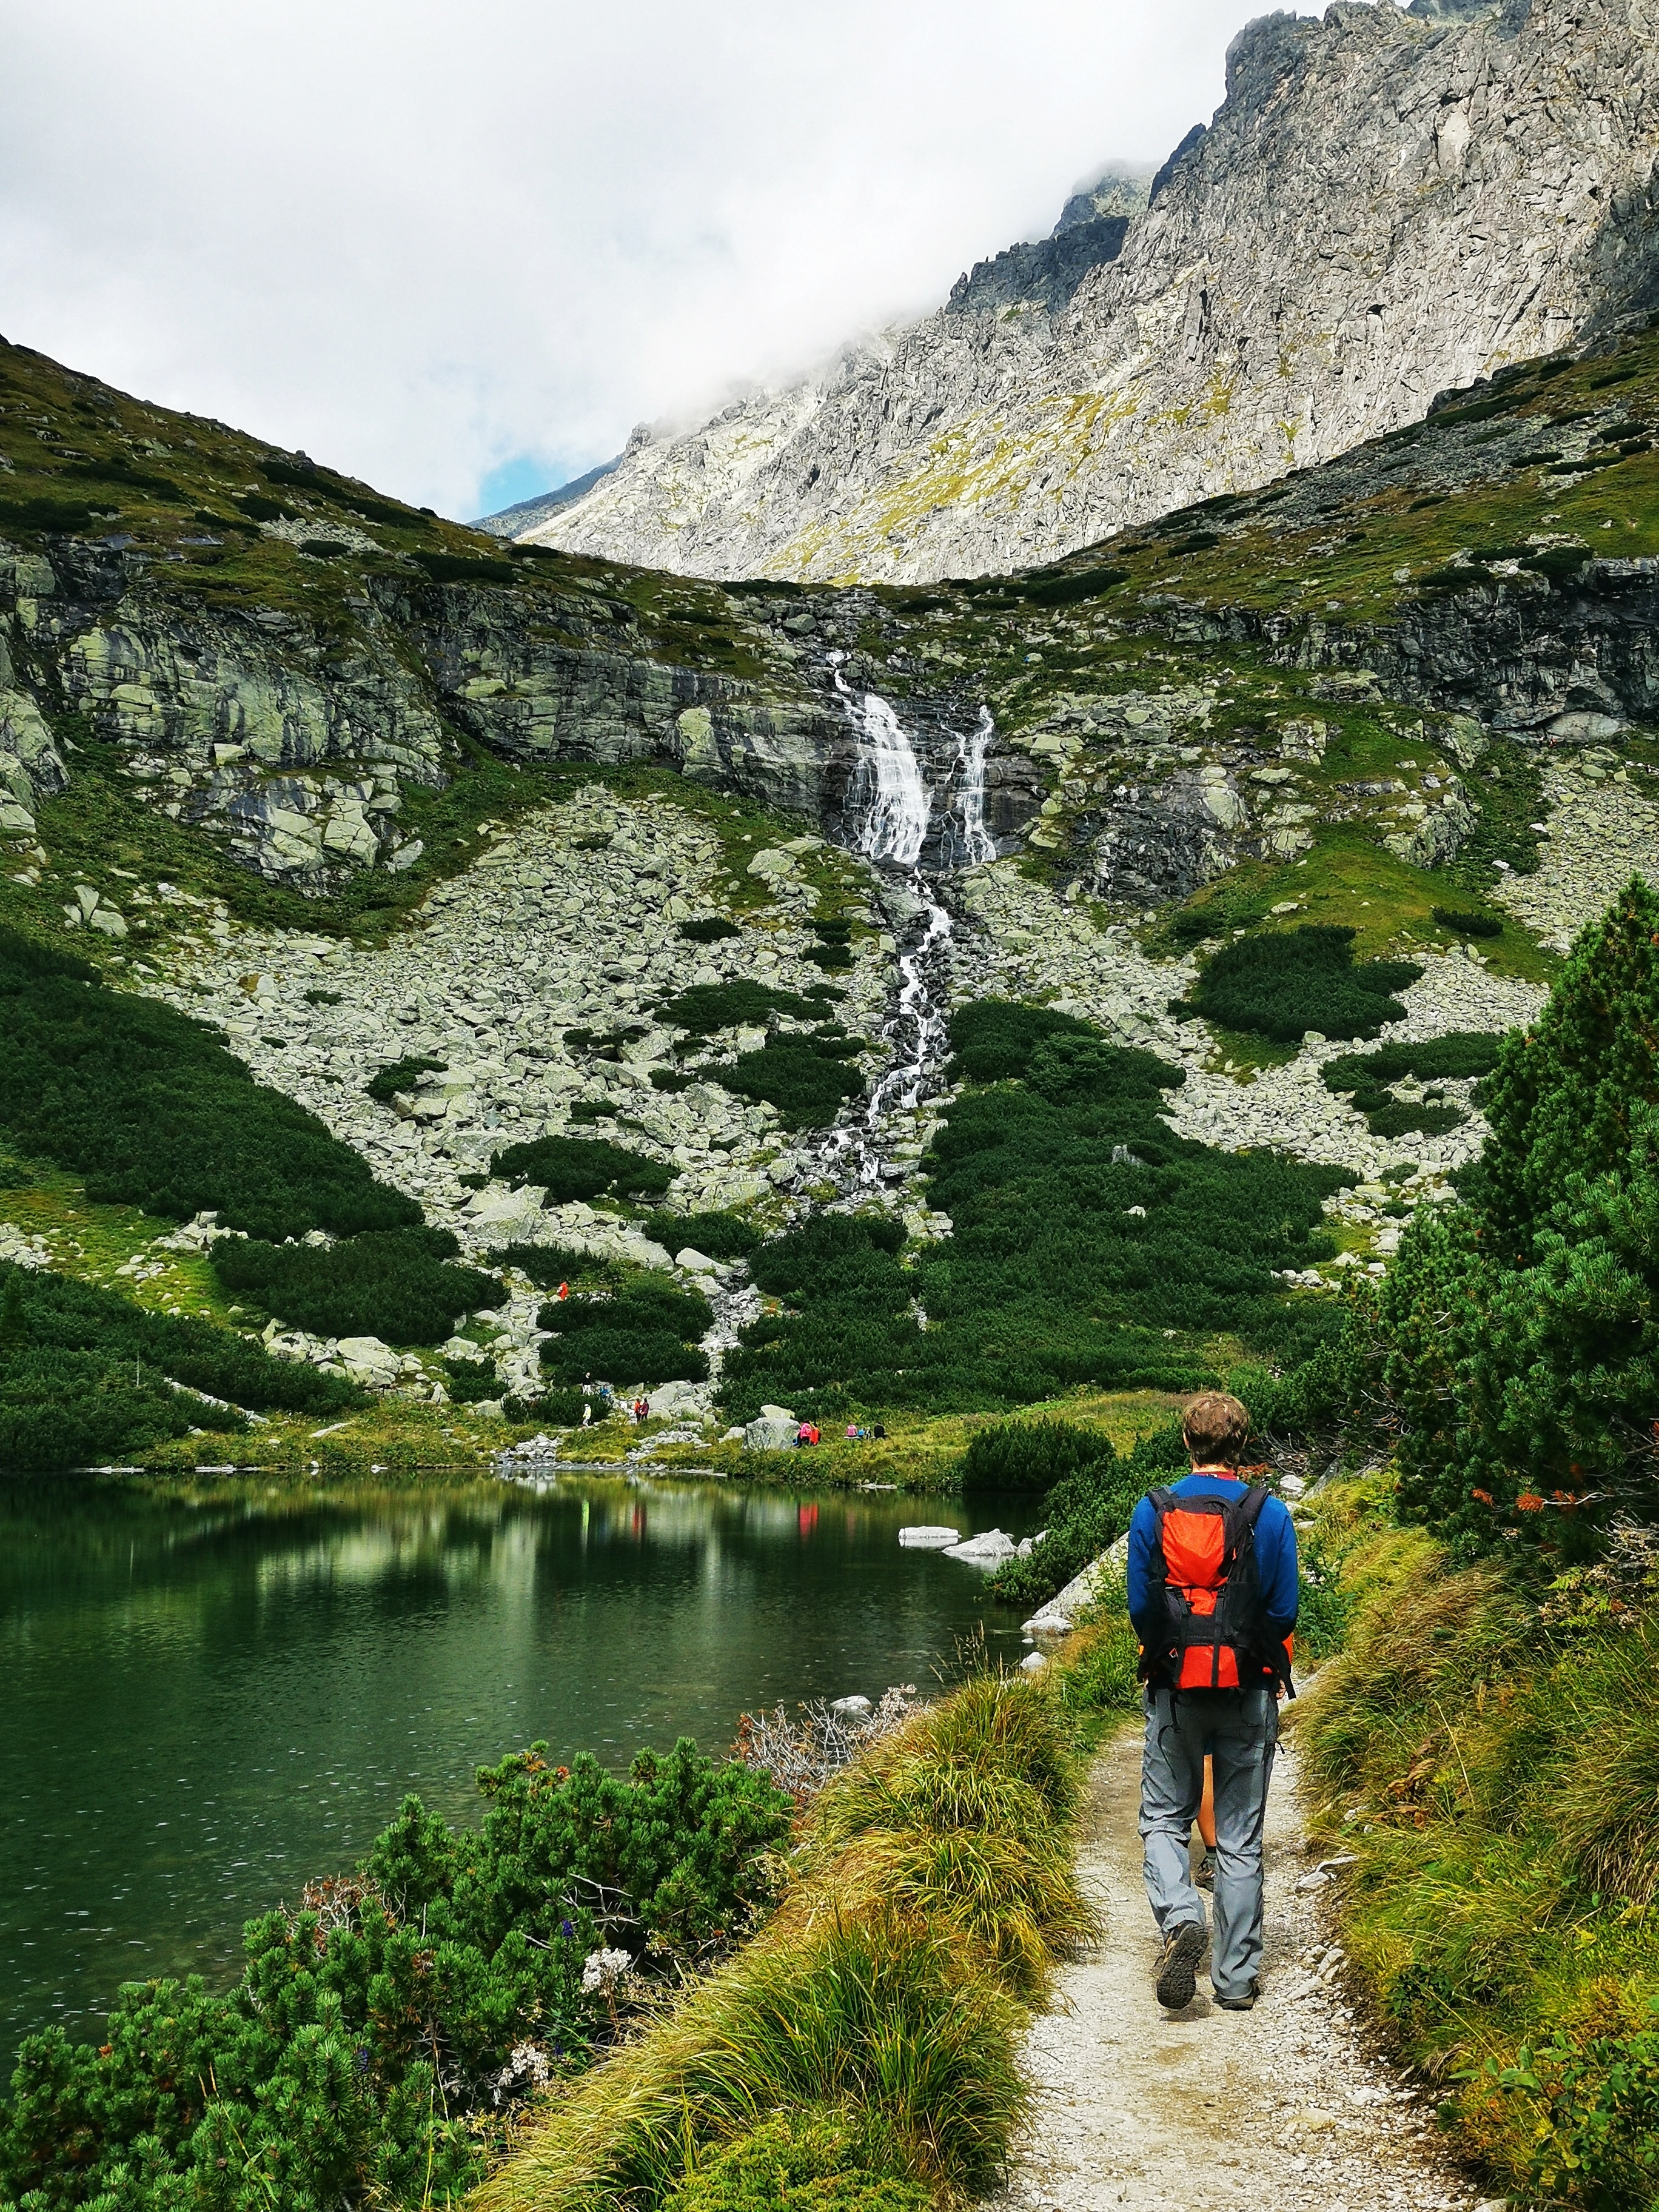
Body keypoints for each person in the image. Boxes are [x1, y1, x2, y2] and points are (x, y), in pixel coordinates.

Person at [1127, 1390, 1298, 2014]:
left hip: (1176, 1689)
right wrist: (1256, 1654)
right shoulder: (1269, 1512)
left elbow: (1142, 1607)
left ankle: (1179, 1919)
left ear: (1186, 1443)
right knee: (1241, 1834)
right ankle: (1235, 1981)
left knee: (1163, 1820)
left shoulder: (1155, 1509)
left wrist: (1167, 1653)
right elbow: (1284, 1611)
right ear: (1242, 1447)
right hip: (1249, 1687)